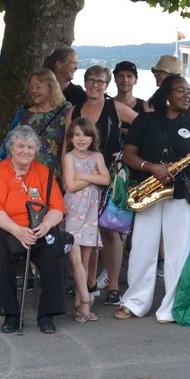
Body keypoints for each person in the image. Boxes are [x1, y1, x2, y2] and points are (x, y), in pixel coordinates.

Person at [114, 74, 190, 323]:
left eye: (189, 91)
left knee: (178, 253)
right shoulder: (145, 120)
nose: (187, 95)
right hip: (149, 190)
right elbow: (128, 155)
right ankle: (135, 302)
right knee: (142, 249)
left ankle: (172, 306)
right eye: (181, 91)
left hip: (181, 195)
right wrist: (151, 167)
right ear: (167, 94)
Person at [0, 125, 67, 334]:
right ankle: (10, 313)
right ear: (11, 149)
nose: (25, 151)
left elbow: (57, 208)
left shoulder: (43, 172)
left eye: (30, 147)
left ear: (36, 151)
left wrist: (45, 226)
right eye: (21, 146)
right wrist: (17, 230)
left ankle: (47, 314)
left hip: (35, 227)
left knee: (54, 251)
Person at [75, 64, 137, 303]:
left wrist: (127, 150)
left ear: (107, 85)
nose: (95, 85)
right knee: (86, 231)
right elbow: (66, 144)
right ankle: (89, 283)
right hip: (83, 178)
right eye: (91, 80)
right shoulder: (75, 109)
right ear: (84, 82)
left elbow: (145, 126)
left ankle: (113, 286)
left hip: (111, 178)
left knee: (111, 232)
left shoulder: (115, 108)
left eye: (100, 81)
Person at [61, 117, 108, 323]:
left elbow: (106, 179)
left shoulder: (97, 156)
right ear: (71, 138)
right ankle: (86, 300)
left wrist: (83, 176)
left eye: (86, 135)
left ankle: (79, 303)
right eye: (77, 135)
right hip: (73, 212)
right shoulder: (68, 157)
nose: (81, 139)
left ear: (92, 138)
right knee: (75, 259)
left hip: (90, 214)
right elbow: (71, 186)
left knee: (86, 261)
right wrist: (92, 177)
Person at [0, 67, 71, 183]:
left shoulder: (66, 112)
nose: (33, 91)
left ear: (51, 87)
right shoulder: (24, 114)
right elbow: (8, 145)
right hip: (24, 178)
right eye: (31, 87)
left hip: (53, 178)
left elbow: (71, 146)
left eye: (38, 87)